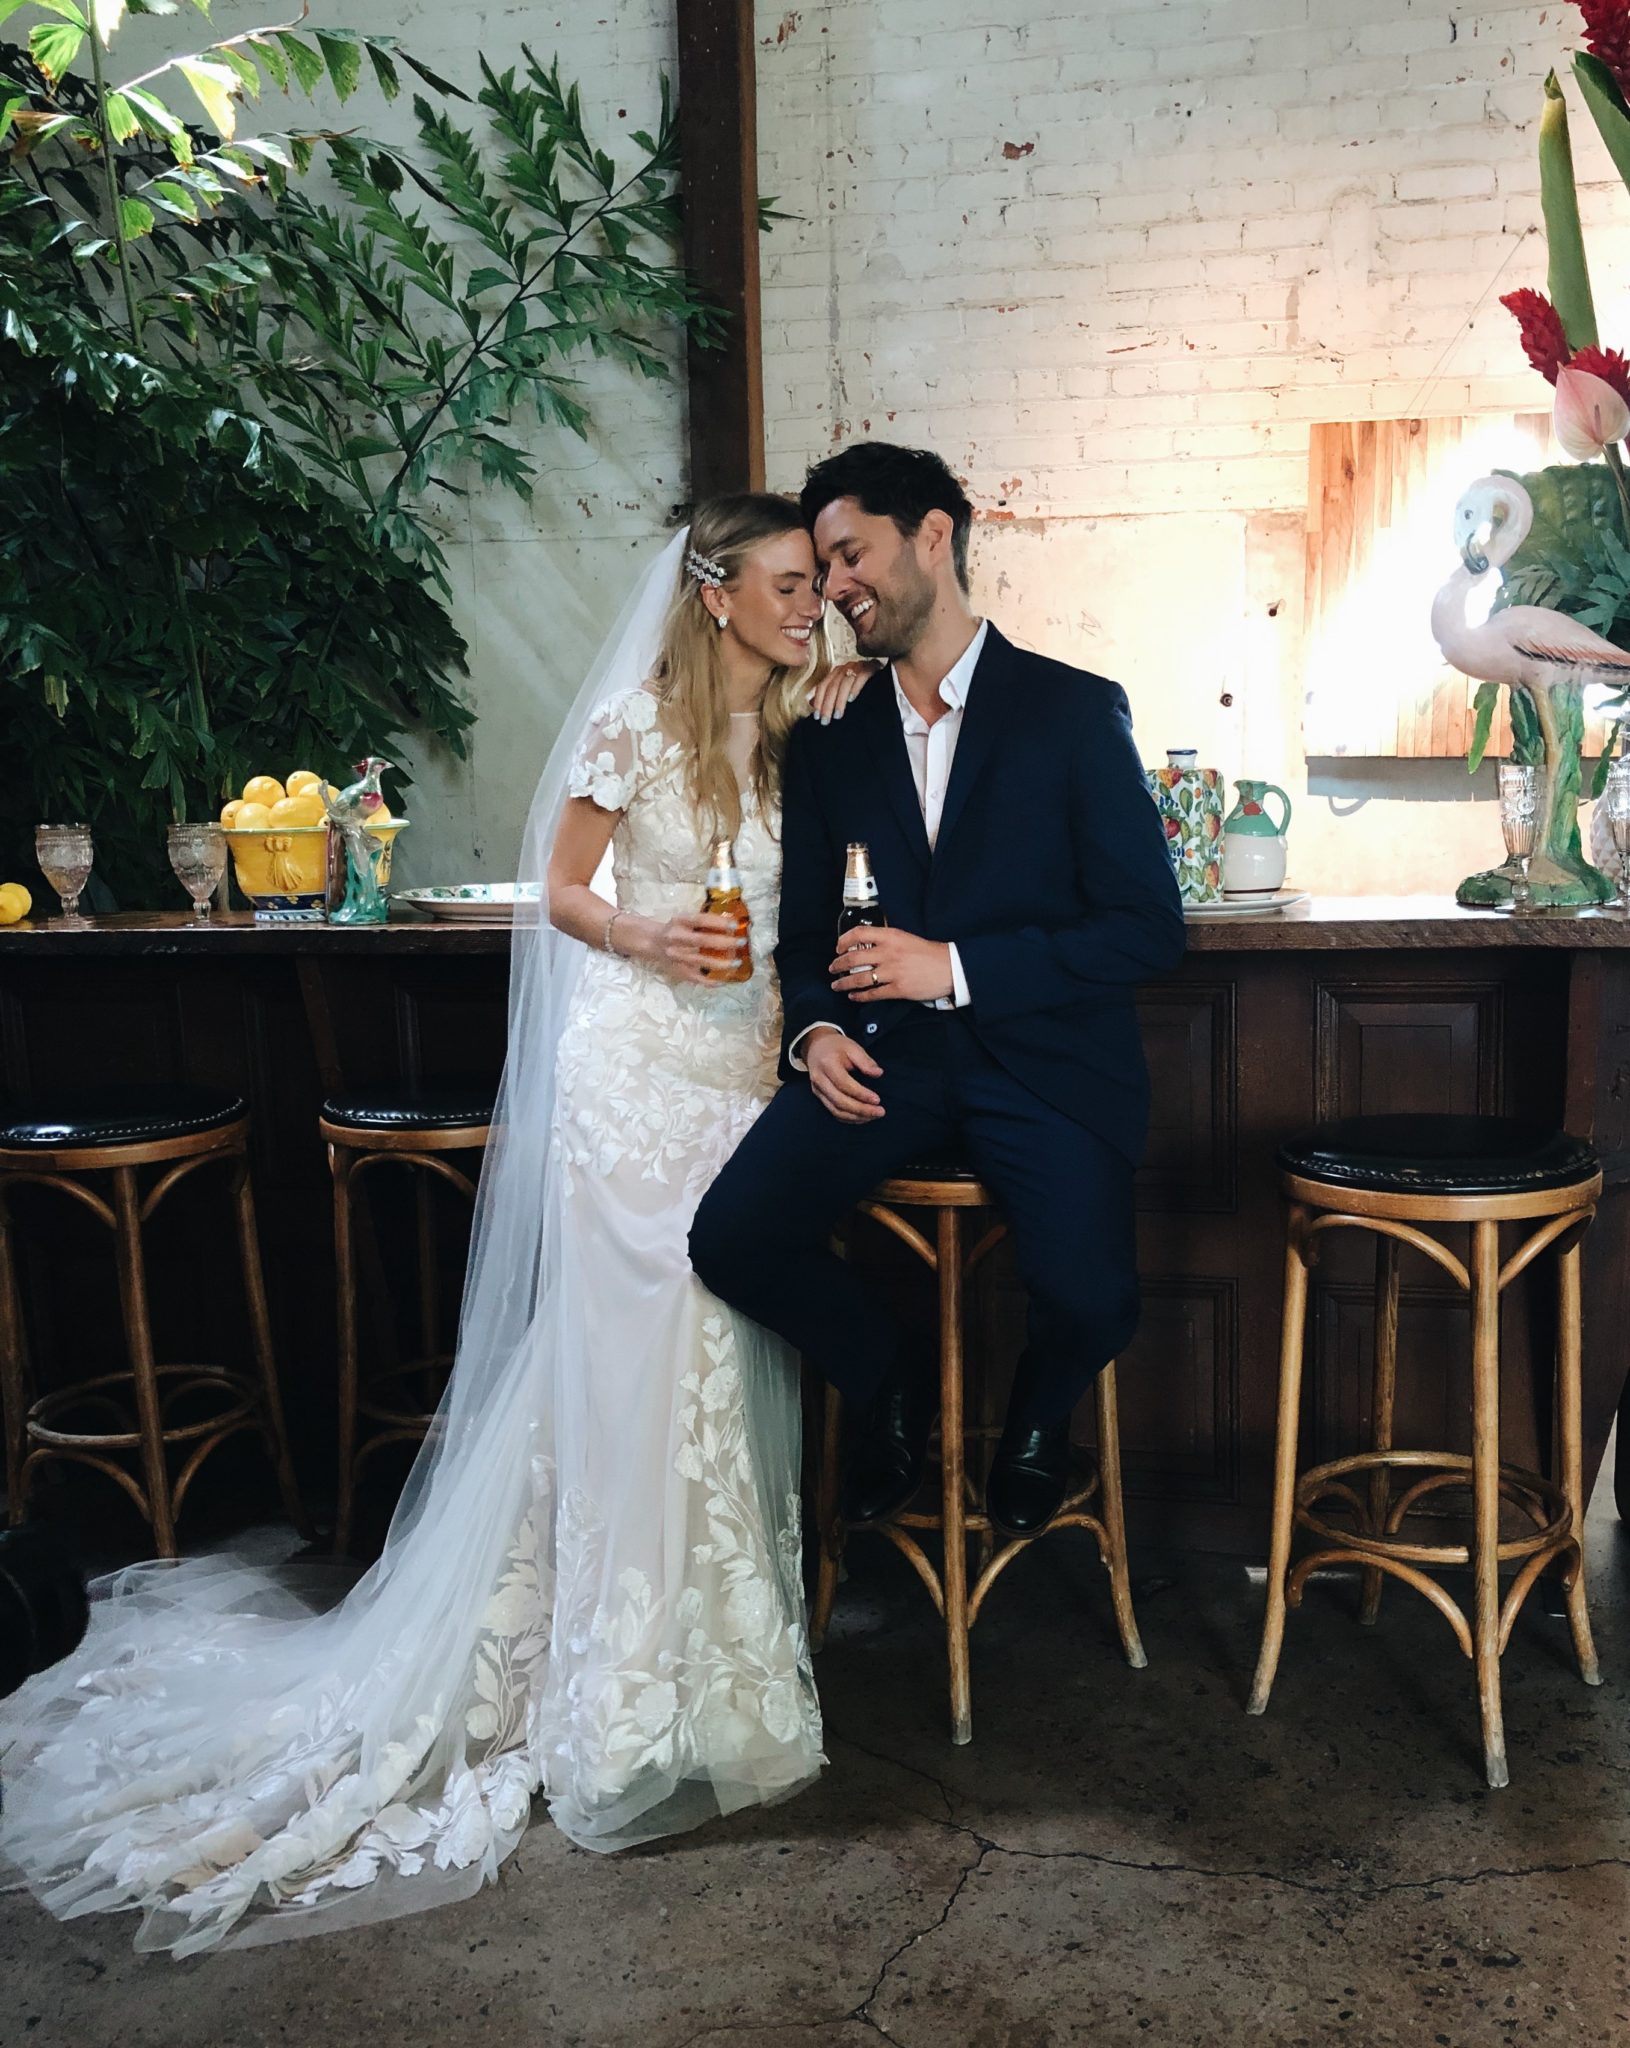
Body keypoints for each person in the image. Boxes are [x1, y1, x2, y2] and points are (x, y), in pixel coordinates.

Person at [0, 495, 868, 1956]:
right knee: (635, 1368)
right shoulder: (630, 729)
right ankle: (609, 1703)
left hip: (740, 1080)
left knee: (715, 1374)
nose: (812, 607)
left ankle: (720, 1688)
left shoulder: (801, 727)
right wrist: (650, 936)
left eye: (818, 589)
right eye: (790, 586)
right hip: (634, 1070)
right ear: (714, 593)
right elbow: (564, 889)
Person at [691, 444, 1185, 1541]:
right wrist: (814, 1027)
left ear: (932, 536)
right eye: (819, 571)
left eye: (848, 554)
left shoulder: (1072, 709)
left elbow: (1148, 925)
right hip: (881, 1063)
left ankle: (1038, 1414)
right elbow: (802, 924)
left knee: (1092, 1294)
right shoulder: (828, 730)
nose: (832, 589)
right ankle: (892, 1376)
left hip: (1045, 1063)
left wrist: (955, 967)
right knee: (732, 1238)